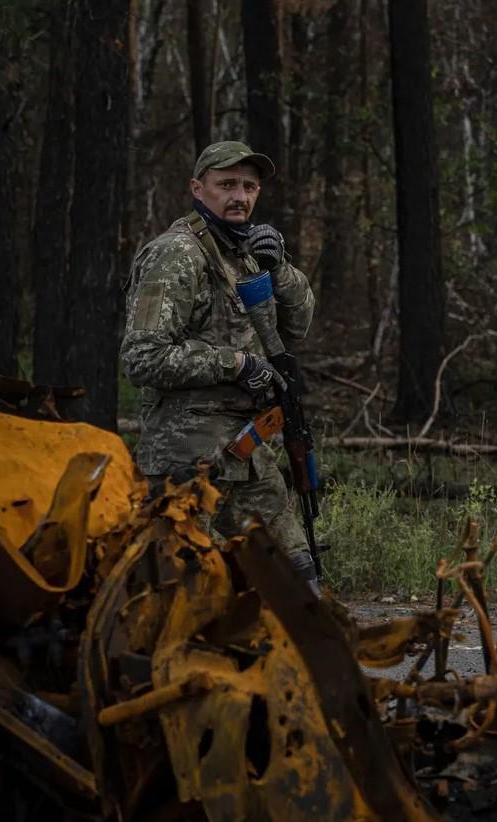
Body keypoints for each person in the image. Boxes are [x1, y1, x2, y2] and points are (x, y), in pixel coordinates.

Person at [121, 140, 318, 593]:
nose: (240, 196)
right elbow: (142, 357)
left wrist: (280, 267)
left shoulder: (244, 251)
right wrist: (235, 363)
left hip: (244, 451)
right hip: (184, 454)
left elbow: (299, 325)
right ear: (197, 188)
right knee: (177, 588)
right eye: (226, 184)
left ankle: (305, 661)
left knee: (294, 571)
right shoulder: (177, 254)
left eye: (249, 187)